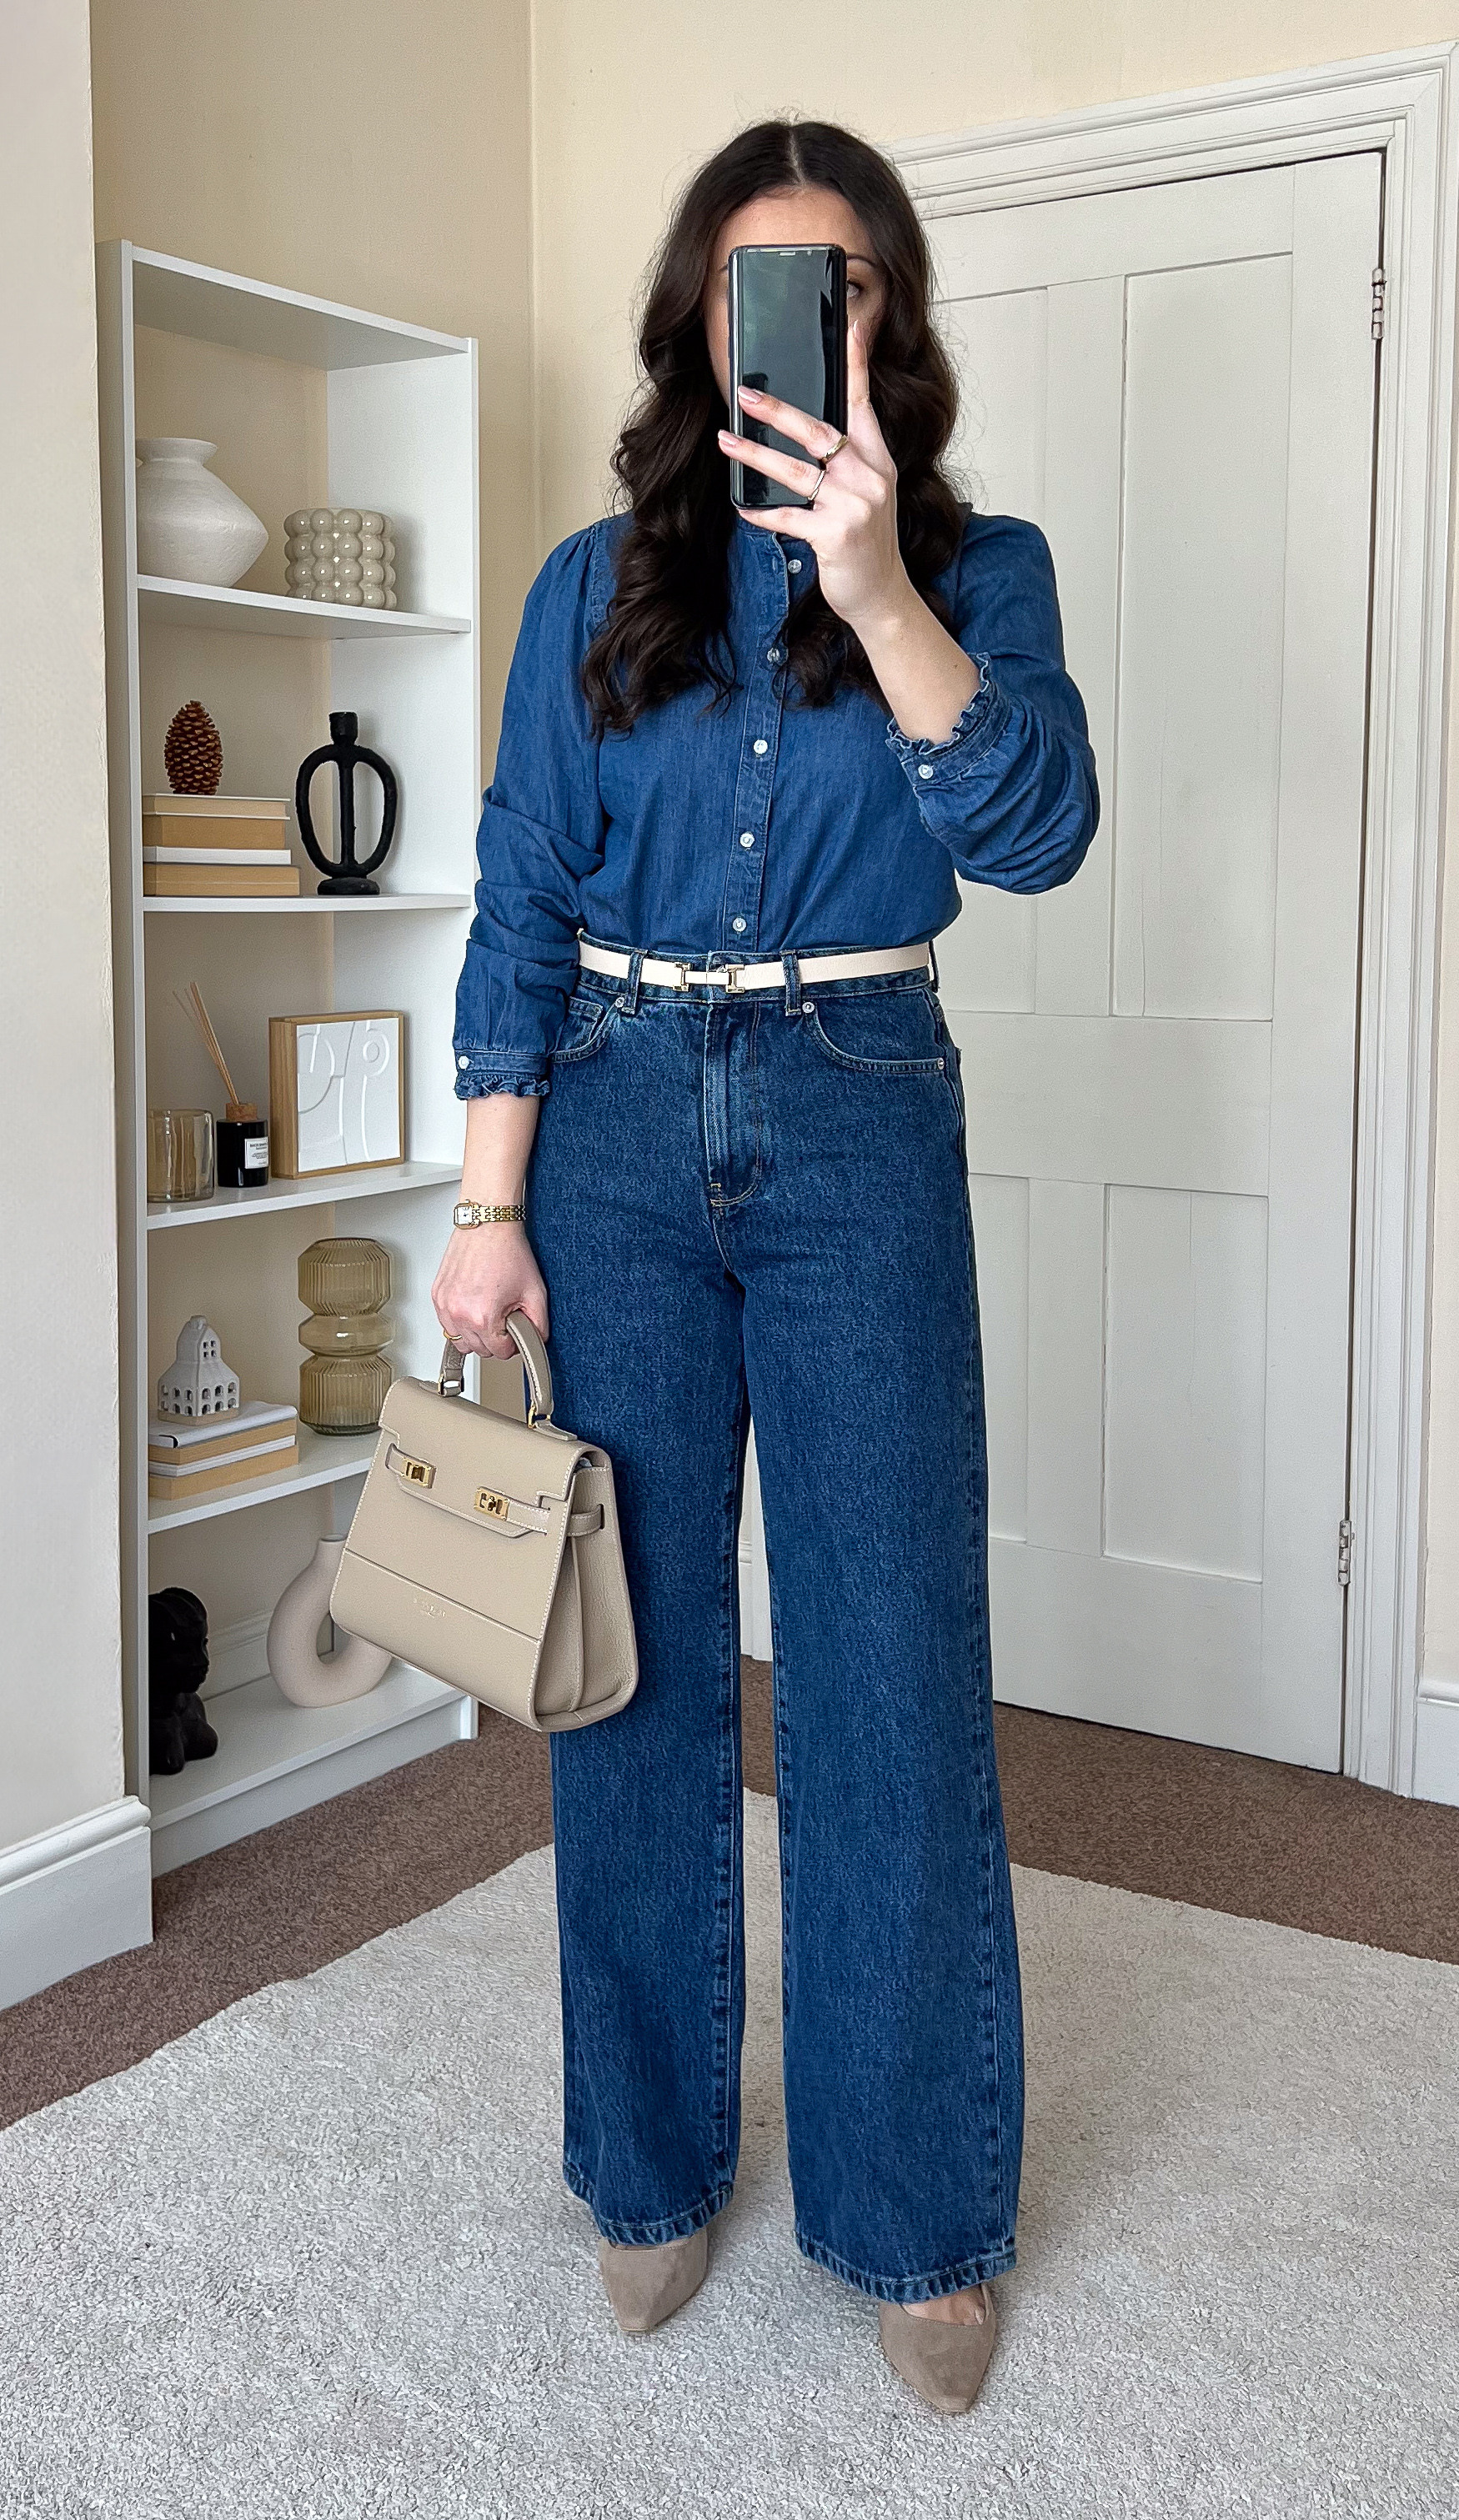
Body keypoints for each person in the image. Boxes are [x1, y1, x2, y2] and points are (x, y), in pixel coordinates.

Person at [433, 116, 1098, 2418]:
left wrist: (882, 587)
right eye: (749, 278)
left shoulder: (975, 570)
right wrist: (488, 1207)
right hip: (608, 1112)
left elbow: (1033, 829)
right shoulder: (581, 586)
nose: (789, 313)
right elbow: (518, 893)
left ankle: (914, 2206)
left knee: (891, 1661)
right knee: (627, 1674)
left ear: (884, 325)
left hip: (856, 1111)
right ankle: (645, 2168)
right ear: (696, 319)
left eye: (833, 279)